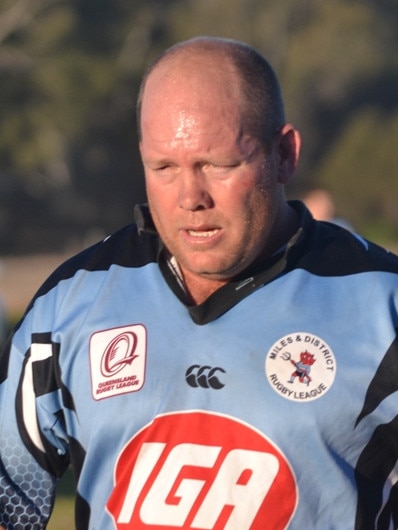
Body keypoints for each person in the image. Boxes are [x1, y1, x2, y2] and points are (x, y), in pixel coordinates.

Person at [0, 36, 398, 530]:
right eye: (163, 168)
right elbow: (8, 502)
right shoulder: (72, 304)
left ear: (284, 156)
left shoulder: (384, 309)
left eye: (218, 165)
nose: (191, 197)